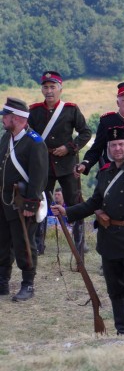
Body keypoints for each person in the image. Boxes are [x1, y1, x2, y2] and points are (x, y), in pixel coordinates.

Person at [52, 125, 124, 334]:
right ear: (108, 148)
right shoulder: (104, 172)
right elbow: (94, 202)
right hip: (109, 237)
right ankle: (123, 331)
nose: (117, 148)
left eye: (121, 144)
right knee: (115, 288)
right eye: (113, 145)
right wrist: (67, 212)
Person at [29, 71, 91, 257]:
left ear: (60, 89)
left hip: (68, 164)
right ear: (41, 89)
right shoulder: (34, 111)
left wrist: (69, 147)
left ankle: (79, 245)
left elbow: (85, 133)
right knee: (40, 202)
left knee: (75, 203)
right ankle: (38, 245)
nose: (49, 91)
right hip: (43, 164)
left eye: (52, 87)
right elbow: (29, 135)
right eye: (46, 87)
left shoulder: (71, 109)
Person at [0, 97, 48, 301]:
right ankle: (2, 282)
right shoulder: (6, 138)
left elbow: (39, 176)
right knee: (2, 243)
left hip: (22, 203)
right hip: (4, 201)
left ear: (17, 119)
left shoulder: (35, 142)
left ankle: (28, 284)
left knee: (24, 244)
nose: (3, 120)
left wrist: (31, 204)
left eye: (6, 117)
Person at [75, 82, 124, 177]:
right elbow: (97, 149)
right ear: (118, 103)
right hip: (111, 173)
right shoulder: (107, 121)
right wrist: (85, 164)